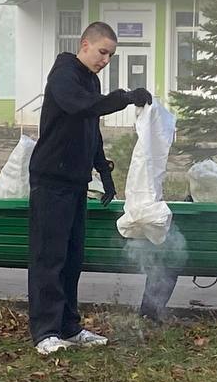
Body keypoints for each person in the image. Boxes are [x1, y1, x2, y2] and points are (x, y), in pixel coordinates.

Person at [28, 21, 150, 355]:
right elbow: (82, 107)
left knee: (71, 258)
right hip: (51, 179)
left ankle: (68, 327)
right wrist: (125, 98)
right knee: (48, 257)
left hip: (75, 181)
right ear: (85, 44)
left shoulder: (89, 80)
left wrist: (103, 172)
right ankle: (45, 331)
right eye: (102, 52)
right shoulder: (64, 75)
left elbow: (90, 129)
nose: (105, 60)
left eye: (110, 55)